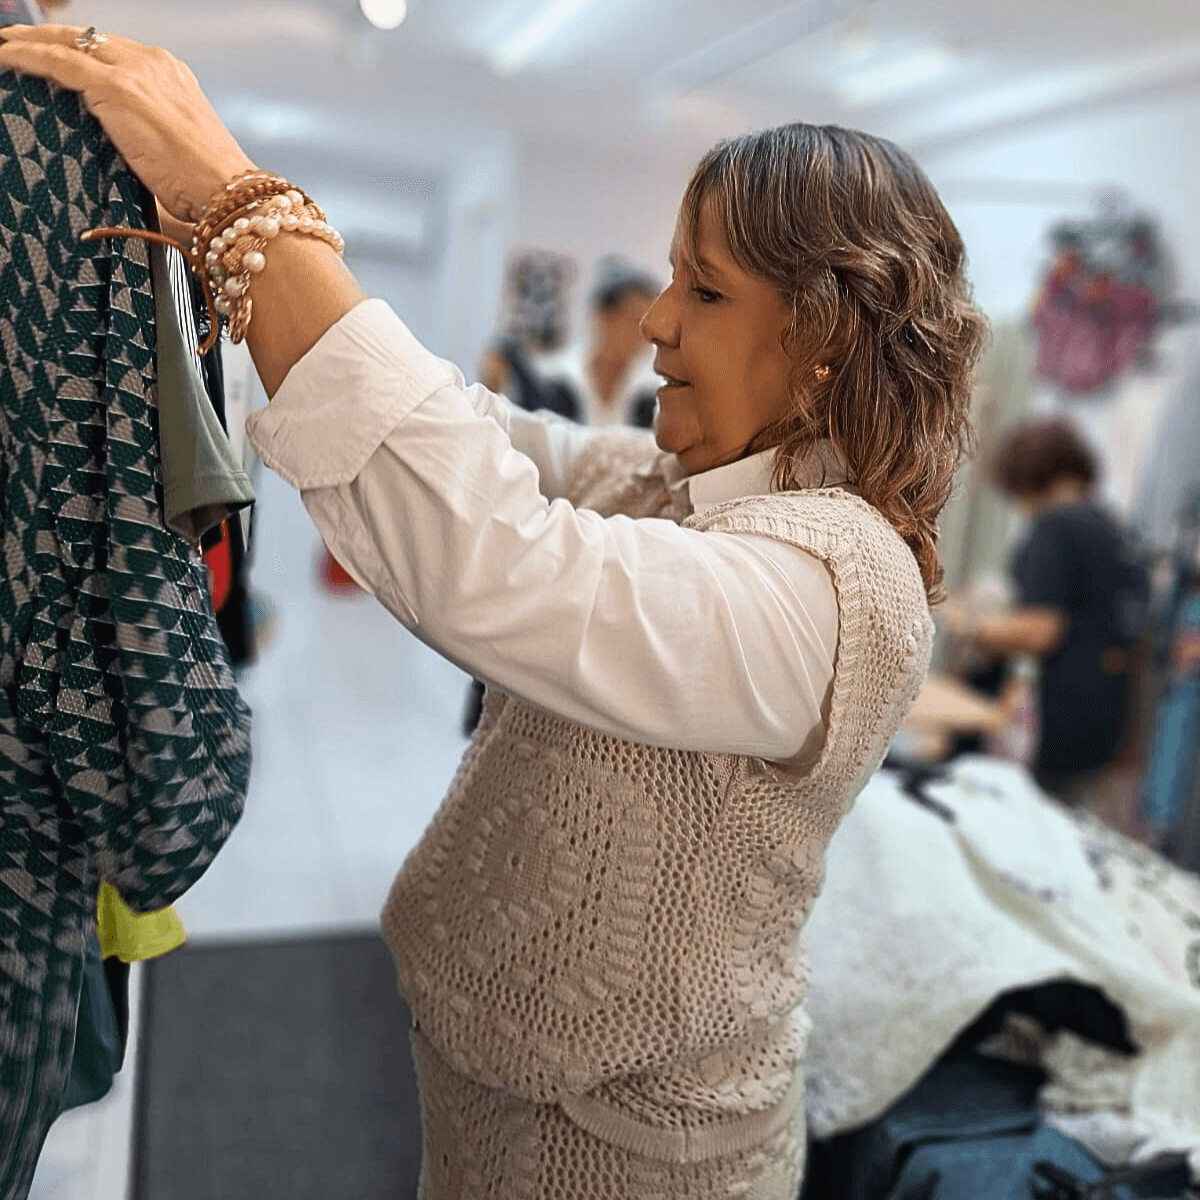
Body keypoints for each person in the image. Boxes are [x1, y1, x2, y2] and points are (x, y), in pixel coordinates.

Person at [0, 25, 988, 1197]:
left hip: (633, 1164)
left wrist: (243, 203)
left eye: (706, 289)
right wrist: (238, 257)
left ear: (825, 342)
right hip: (506, 1106)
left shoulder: (827, 592)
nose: (659, 322)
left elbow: (494, 561)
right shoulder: (677, 487)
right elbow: (471, 433)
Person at [946, 418, 1150, 809]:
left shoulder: (1055, 527)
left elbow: (1041, 631)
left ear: (1027, 476)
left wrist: (970, 627)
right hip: (1105, 722)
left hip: (1057, 720)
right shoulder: (1114, 529)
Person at [536, 253, 663, 428]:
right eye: (635, 321)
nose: (645, 336)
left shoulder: (652, 392)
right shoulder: (554, 380)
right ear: (604, 316)